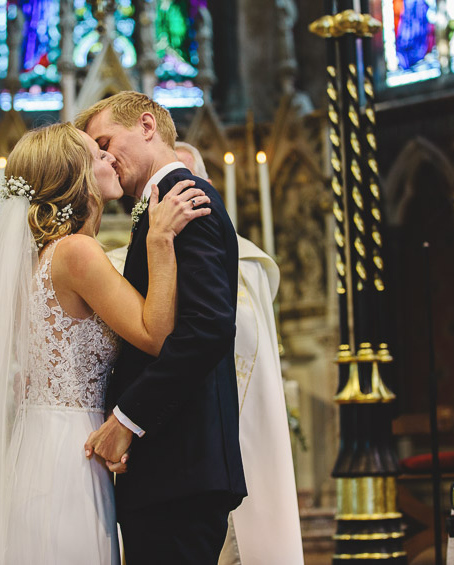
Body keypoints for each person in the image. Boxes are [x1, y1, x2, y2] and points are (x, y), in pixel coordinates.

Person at [0, 122, 212, 564]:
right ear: (76, 174)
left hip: (42, 441)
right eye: (97, 154)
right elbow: (156, 337)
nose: (109, 158)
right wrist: (159, 240)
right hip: (69, 453)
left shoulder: (39, 258)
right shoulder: (78, 252)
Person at [76, 92, 247, 565]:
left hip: (181, 469)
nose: (105, 158)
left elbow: (207, 328)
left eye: (106, 142)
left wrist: (127, 419)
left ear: (147, 125)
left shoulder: (186, 199)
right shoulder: (157, 209)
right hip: (169, 472)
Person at [175, 142, 306, 564]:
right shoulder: (125, 259)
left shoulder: (243, 262)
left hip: (227, 432)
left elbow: (239, 342)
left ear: (208, 188)